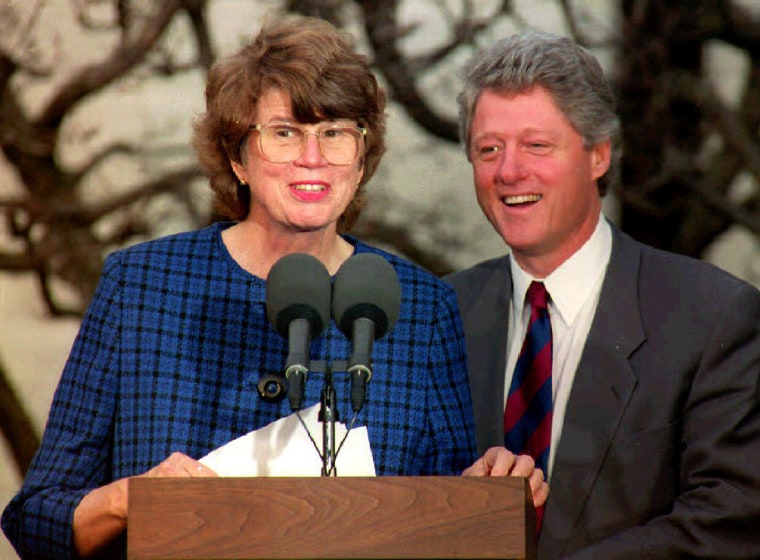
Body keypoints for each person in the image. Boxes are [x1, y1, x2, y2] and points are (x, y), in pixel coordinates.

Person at [1, 16, 548, 559]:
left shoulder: (422, 307)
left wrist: (492, 487)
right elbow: (35, 519)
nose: (312, 159)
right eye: (284, 133)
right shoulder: (140, 285)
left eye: (334, 133)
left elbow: (449, 514)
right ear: (237, 158)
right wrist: (129, 500)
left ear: (361, 160)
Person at [446, 30, 760, 559]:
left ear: (598, 155)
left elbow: (732, 517)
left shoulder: (714, 317)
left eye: (537, 145)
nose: (509, 171)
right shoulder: (439, 313)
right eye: (489, 149)